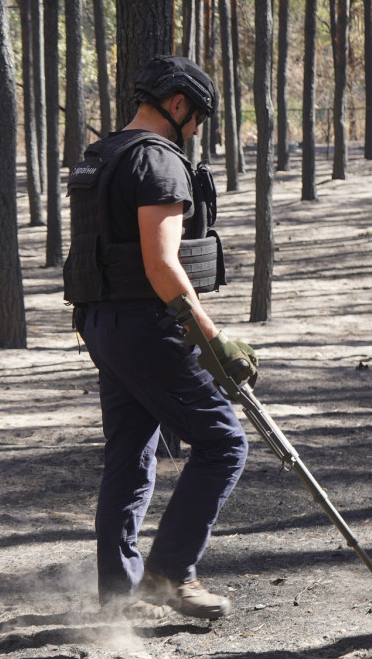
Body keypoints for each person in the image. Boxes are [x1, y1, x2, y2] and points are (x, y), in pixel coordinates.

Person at [62, 56, 257, 620]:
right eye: (196, 119)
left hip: (101, 325)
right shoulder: (158, 163)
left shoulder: (104, 157)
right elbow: (162, 264)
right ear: (177, 105)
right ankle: (169, 575)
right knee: (224, 443)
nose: (195, 131)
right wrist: (213, 339)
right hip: (146, 328)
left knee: (129, 457)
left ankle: (118, 598)